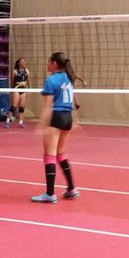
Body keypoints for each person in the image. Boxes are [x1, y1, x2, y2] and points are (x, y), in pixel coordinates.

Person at [31, 52, 81, 204]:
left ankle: (50, 194)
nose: (47, 64)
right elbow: (74, 103)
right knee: (60, 154)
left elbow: (48, 106)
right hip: (67, 118)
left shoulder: (51, 80)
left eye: (48, 62)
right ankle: (71, 189)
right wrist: (75, 121)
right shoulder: (68, 78)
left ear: (53, 63)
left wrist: (41, 125)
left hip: (57, 117)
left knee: (49, 155)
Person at [6, 57, 29, 128]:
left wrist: (30, 88)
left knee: (22, 107)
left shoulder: (27, 71)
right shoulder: (15, 71)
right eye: (21, 61)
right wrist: (12, 89)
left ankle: (21, 122)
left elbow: (28, 80)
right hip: (16, 89)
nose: (23, 63)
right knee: (14, 106)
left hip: (23, 90)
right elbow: (12, 81)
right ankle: (7, 121)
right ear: (19, 63)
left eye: (24, 61)